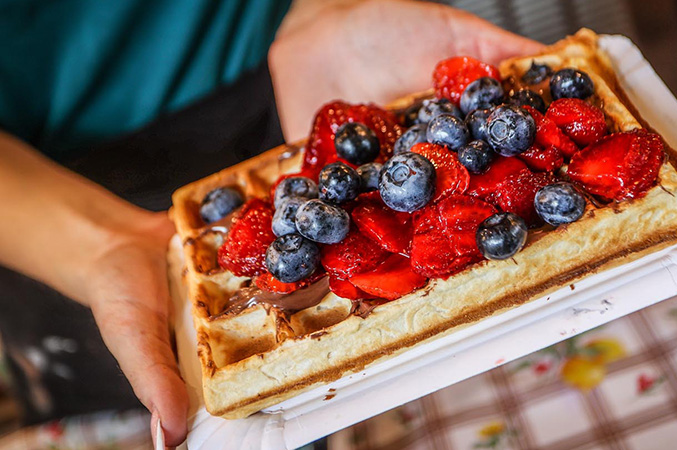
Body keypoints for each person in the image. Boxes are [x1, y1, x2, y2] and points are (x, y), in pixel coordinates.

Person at [0, 0, 542, 446]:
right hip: (42, 208)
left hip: (290, 79)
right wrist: (98, 246)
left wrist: (325, 12)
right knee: (217, 400)